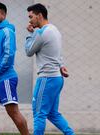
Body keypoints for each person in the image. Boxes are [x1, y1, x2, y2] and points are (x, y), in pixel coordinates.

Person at [24, 3, 75, 135]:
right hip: (57, 78)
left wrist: (30, 34)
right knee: (52, 113)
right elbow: (57, 53)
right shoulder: (54, 30)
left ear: (39, 15)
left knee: (39, 114)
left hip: (46, 79)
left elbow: (29, 51)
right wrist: (61, 65)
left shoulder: (40, 32)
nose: (29, 20)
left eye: (31, 17)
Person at [0, 2, 29, 135]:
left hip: (5, 78)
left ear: (3, 14)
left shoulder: (7, 31)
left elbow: (9, 55)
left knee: (13, 112)